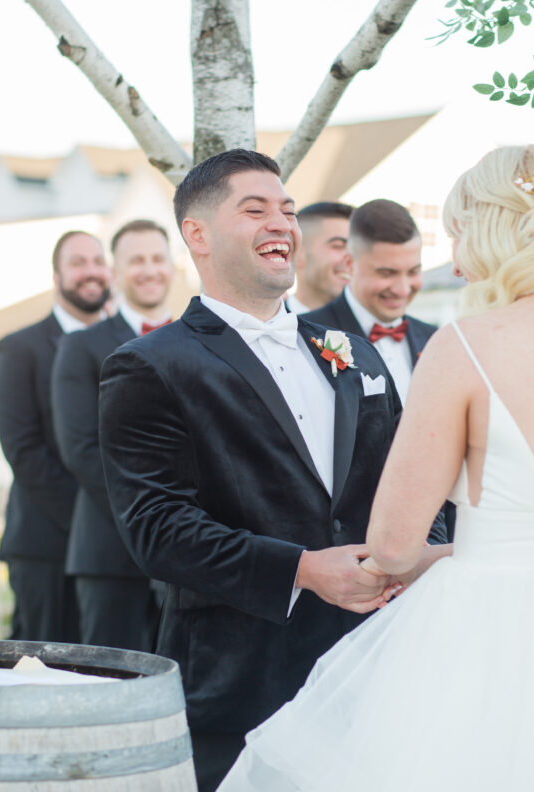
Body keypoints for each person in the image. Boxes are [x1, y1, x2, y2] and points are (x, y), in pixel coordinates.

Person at [220, 144, 534, 792]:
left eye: (459, 235)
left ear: (494, 233)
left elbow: (394, 544)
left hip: (495, 633)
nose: (454, 262)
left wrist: (442, 554)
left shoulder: (465, 346)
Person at [98, 149, 447, 792]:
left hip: (370, 671)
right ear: (197, 234)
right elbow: (157, 528)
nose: (281, 223)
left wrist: (420, 555)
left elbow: (416, 479)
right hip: (241, 681)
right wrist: (303, 570)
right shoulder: (150, 365)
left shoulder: (355, 354)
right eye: (254, 209)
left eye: (287, 210)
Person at [51, 219, 174, 651]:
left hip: (189, 552)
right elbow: (80, 449)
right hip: (109, 550)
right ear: (115, 273)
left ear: (173, 267)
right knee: (109, 675)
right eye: (136, 260)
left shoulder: (200, 339)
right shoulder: (81, 346)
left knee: (182, 677)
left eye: (158, 258)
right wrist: (155, 516)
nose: (149, 270)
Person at [0, 230, 110, 643]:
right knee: (41, 664)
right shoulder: (20, 348)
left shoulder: (128, 344)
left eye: (97, 261)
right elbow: (23, 451)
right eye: (77, 263)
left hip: (117, 551)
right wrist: (92, 519)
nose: (90, 271)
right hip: (45, 544)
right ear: (57, 276)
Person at [304, 198, 434, 405]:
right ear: (349, 264)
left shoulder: (433, 339)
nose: (402, 289)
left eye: (413, 272)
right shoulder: (306, 336)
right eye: (386, 273)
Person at [286, 202, 353, 314]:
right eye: (339, 246)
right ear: (297, 254)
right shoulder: (267, 321)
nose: (352, 258)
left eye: (356, 249)